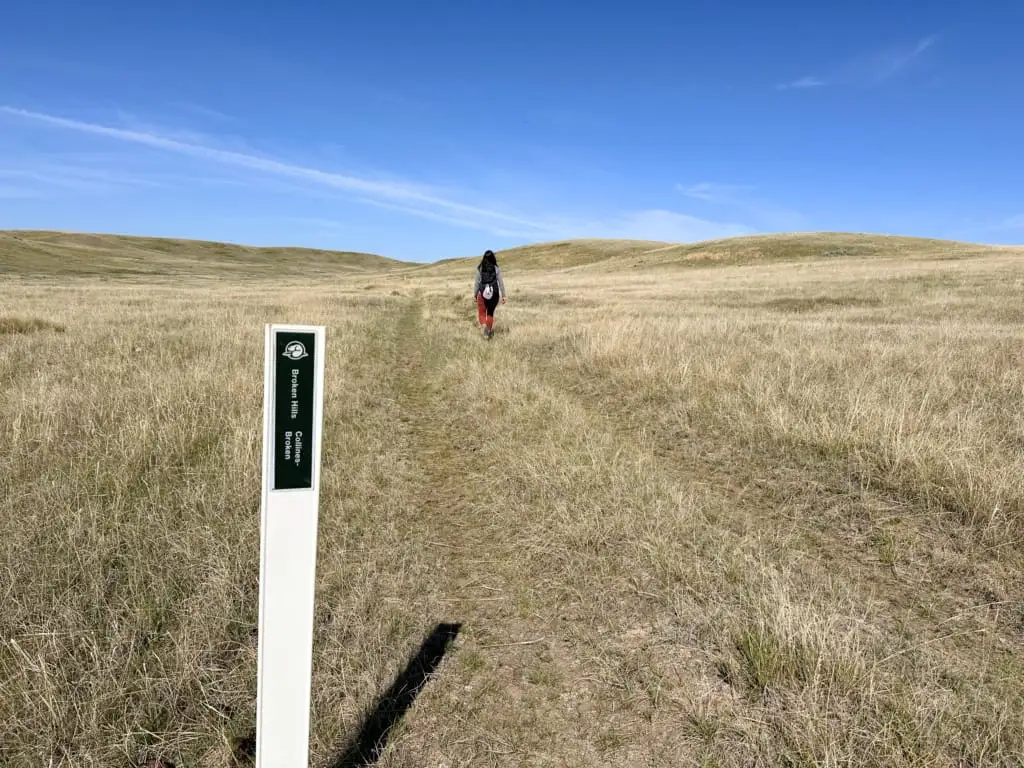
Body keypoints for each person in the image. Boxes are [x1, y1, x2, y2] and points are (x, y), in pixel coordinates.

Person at [473, 249, 506, 338]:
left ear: (484, 258)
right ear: (493, 258)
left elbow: (476, 283)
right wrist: (504, 295)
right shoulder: (496, 268)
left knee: (481, 313)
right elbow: (501, 282)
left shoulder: (480, 267)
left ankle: (484, 327)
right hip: (494, 294)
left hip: (482, 294)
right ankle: (487, 331)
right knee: (490, 313)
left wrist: (475, 295)